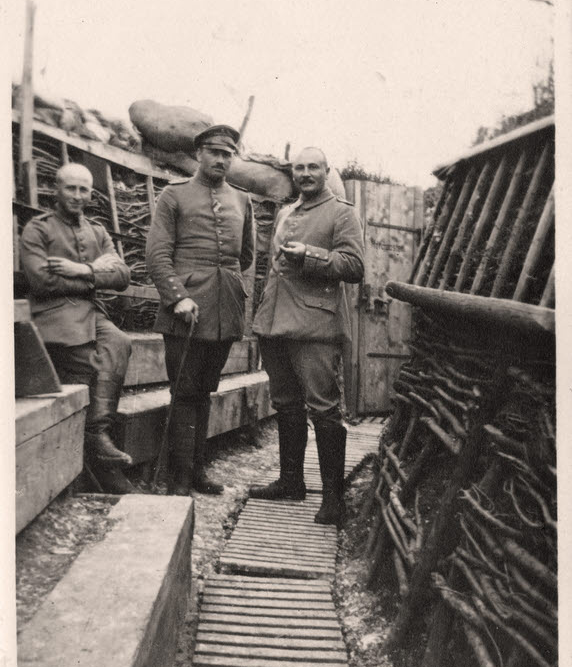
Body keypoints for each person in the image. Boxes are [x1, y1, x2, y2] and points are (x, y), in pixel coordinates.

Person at [250, 146, 365, 526]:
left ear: (327, 171)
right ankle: (291, 481)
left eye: (313, 167)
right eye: (299, 168)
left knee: (324, 408)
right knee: (285, 403)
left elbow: (354, 266)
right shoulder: (286, 212)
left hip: (315, 328)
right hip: (275, 323)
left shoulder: (342, 213)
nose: (305, 173)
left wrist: (311, 256)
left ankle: (334, 500)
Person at [146, 124, 254, 496]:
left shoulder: (242, 200)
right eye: (214, 152)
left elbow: (246, 255)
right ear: (198, 155)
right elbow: (157, 254)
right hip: (185, 311)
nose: (221, 160)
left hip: (225, 309)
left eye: (228, 154)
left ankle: (197, 472)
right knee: (184, 391)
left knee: (205, 390)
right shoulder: (173, 196)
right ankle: (177, 478)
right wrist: (178, 296)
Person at [20, 163, 136, 494]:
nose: (77, 196)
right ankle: (98, 454)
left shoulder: (97, 232)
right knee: (89, 361)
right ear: (55, 190)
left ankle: (97, 434)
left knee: (119, 342)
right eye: (70, 188)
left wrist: (80, 268)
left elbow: (123, 276)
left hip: (89, 314)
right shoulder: (38, 229)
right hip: (53, 315)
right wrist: (94, 274)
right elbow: (40, 280)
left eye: (84, 189)